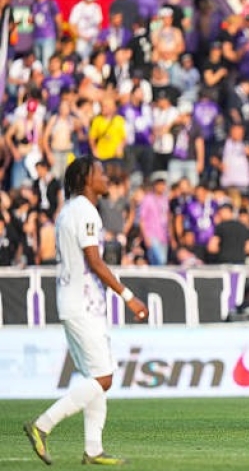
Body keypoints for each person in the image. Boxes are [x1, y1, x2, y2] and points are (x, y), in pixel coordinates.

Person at [23, 157, 148, 466]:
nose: (106, 177)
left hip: (74, 300)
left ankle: (93, 449)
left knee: (96, 376)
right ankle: (42, 425)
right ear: (85, 179)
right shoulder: (85, 211)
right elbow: (94, 260)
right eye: (100, 173)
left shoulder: (69, 211)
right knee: (104, 378)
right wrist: (128, 296)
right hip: (82, 303)